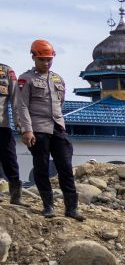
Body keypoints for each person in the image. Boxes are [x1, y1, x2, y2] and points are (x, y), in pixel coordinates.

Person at [13, 39, 82, 220]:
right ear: (34, 57)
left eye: (49, 59)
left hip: (58, 127)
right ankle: (48, 206)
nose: (46, 63)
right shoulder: (26, 79)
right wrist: (27, 130)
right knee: (41, 166)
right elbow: (22, 106)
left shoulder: (58, 79)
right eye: (42, 59)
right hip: (37, 129)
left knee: (65, 167)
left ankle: (71, 208)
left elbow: (60, 103)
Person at [0, 60, 20, 204]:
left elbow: (16, 99)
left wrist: (19, 122)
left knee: (10, 160)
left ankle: (16, 196)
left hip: (2, 126)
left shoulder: (6, 71)